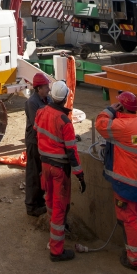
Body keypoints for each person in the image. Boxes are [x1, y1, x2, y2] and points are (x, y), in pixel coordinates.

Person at [95, 90, 137, 272]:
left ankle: (136, 260)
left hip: (125, 182)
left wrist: (109, 110)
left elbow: (100, 124)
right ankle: (134, 254)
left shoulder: (122, 126)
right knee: (130, 217)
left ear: (123, 107)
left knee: (129, 219)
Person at [35, 79, 85, 262]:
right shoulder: (64, 121)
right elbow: (72, 152)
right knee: (59, 207)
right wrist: (80, 175)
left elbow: (37, 131)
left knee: (49, 200)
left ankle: (53, 234)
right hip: (59, 169)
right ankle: (56, 250)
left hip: (45, 165)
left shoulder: (41, 112)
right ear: (65, 99)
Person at [24, 72, 52, 217]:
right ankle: (32, 206)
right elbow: (38, 124)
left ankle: (40, 202)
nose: (48, 88)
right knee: (33, 174)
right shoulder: (32, 102)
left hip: (43, 141)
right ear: (38, 88)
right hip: (34, 141)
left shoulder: (47, 99)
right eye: (46, 86)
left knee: (41, 172)